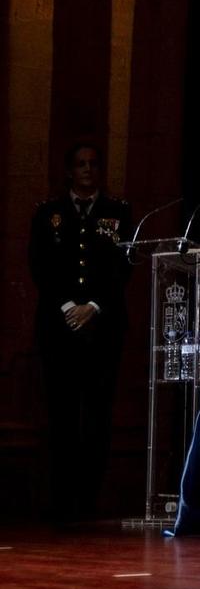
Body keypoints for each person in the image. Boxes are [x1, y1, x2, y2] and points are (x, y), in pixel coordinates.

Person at [28, 140, 132, 521]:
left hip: (103, 329)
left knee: (98, 417)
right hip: (60, 328)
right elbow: (40, 266)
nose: (88, 170)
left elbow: (123, 266)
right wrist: (70, 307)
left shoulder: (118, 212)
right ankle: (61, 502)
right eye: (81, 164)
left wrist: (94, 307)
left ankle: (89, 500)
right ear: (70, 171)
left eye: (93, 164)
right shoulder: (49, 213)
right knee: (62, 415)